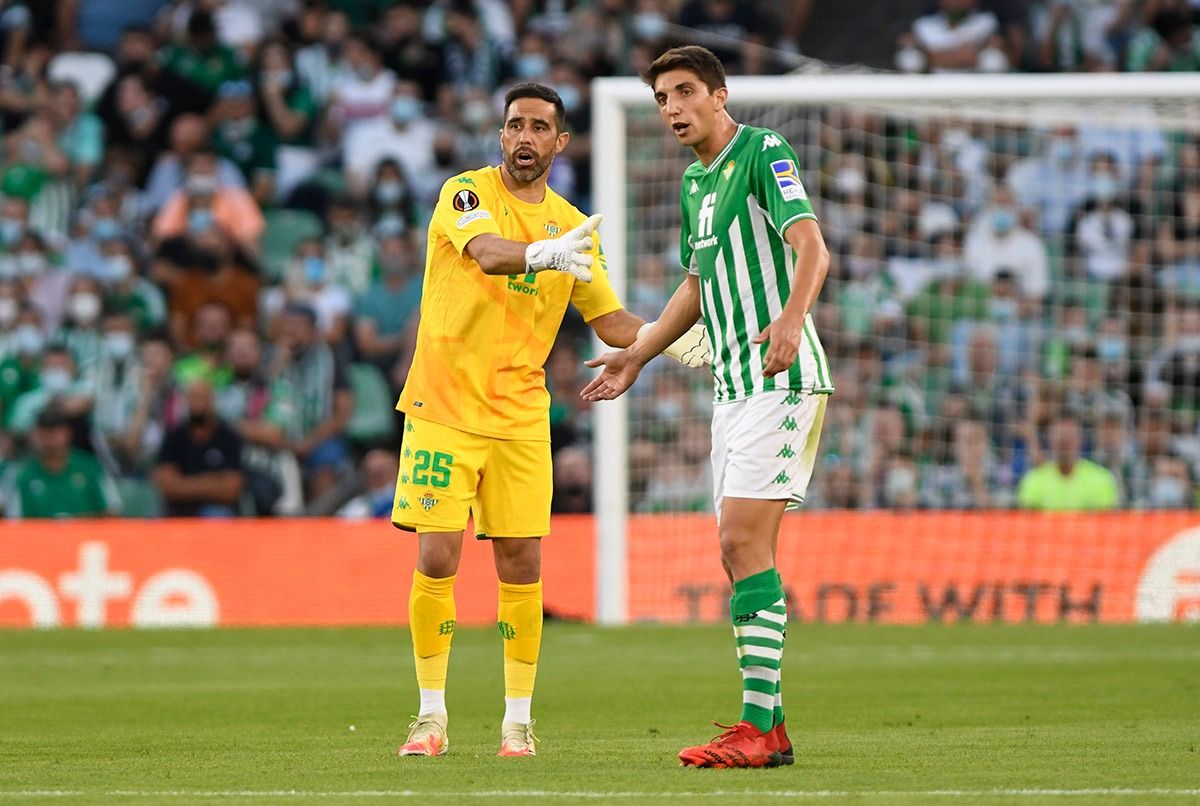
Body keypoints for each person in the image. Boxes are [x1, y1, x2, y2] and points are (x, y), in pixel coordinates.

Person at [581, 46, 834, 769]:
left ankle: (757, 728)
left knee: (740, 545)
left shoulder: (763, 150)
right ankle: (771, 727)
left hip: (780, 378)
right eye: (662, 97)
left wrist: (790, 318)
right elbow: (696, 286)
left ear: (719, 95)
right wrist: (639, 353)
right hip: (732, 388)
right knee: (737, 554)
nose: (672, 108)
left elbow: (811, 245)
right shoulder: (696, 184)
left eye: (685, 92)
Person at [393, 82, 649, 760]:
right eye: (515, 126)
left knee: (523, 565)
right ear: (501, 135)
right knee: (437, 554)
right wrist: (544, 254)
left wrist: (680, 339)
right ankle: (429, 716)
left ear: (560, 142)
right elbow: (486, 255)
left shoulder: (572, 224)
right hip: (444, 404)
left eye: (540, 127)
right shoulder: (466, 192)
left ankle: (516, 723)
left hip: (520, 416)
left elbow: (612, 321)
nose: (526, 137)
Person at [2, 405, 118, 518]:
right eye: (45, 431)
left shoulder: (90, 467)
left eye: (56, 430)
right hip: (40, 536)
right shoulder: (25, 475)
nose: (51, 437)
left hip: (86, 536)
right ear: (36, 434)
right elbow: (15, 521)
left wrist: (76, 526)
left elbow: (112, 510)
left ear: (67, 432)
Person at [1017, 412, 1118, 511]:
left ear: (1081, 440)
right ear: (1049, 439)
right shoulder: (1033, 480)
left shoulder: (1101, 479)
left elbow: (1105, 523)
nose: (1065, 440)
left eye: (1069, 437)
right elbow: (1028, 523)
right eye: (1061, 438)